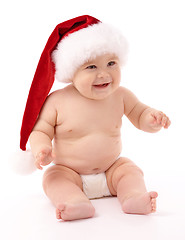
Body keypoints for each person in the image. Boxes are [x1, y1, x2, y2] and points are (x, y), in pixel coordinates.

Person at [20, 15, 171, 221]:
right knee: (52, 179)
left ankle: (133, 197)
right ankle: (75, 202)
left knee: (130, 170)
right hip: (69, 172)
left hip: (111, 169)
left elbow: (139, 115)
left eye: (111, 63)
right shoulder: (57, 101)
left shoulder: (121, 95)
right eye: (91, 67)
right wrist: (41, 149)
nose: (104, 74)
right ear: (72, 71)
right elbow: (40, 130)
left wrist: (152, 120)